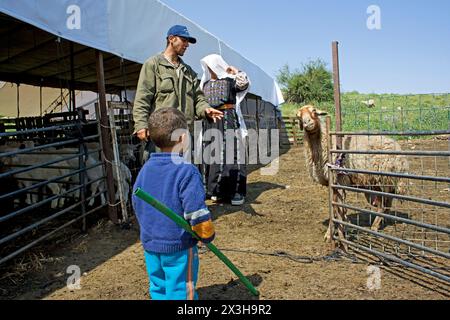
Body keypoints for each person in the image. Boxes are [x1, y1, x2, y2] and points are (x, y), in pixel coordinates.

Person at [132, 108, 215, 300]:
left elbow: (136, 202)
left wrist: (149, 229)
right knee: (180, 289)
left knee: (159, 286)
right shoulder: (187, 171)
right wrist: (207, 234)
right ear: (183, 137)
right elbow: (196, 212)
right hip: (179, 246)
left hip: (151, 244)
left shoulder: (146, 169)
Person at [133, 25, 223, 163]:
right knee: (160, 176)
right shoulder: (153, 65)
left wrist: (205, 109)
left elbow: (198, 98)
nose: (187, 45)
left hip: (183, 135)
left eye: (188, 42)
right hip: (161, 135)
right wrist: (140, 125)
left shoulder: (189, 72)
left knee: (181, 175)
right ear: (171, 39)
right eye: (184, 40)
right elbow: (142, 98)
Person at [200, 54, 250, 206]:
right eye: (207, 66)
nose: (209, 69)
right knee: (212, 154)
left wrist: (236, 71)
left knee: (231, 153)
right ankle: (216, 190)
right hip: (210, 121)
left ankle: (235, 192)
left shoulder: (230, 81)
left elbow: (244, 83)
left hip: (227, 118)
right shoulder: (205, 84)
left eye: (211, 65)